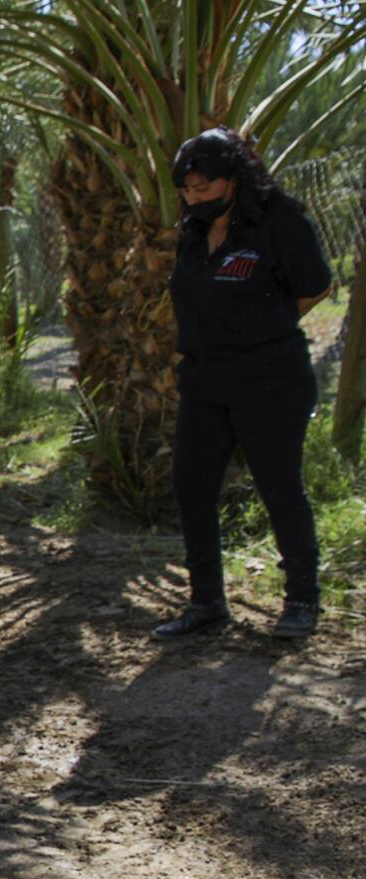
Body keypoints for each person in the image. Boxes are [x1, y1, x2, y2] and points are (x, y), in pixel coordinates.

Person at [154, 126, 332, 641]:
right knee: (192, 486)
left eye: (203, 186)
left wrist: (262, 329)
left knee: (279, 488)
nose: (194, 197)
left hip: (269, 379)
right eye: (186, 189)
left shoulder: (280, 223)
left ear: (234, 179)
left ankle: (301, 601)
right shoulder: (192, 230)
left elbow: (315, 288)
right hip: (204, 380)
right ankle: (207, 603)